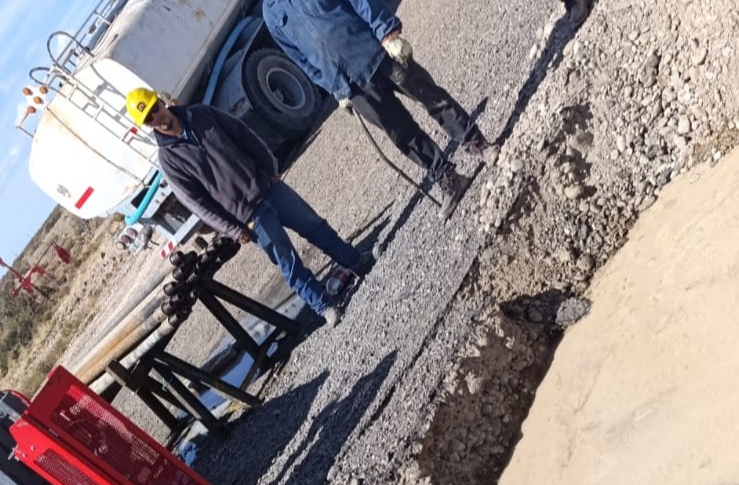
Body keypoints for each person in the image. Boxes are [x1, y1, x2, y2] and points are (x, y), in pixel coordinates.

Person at [126, 87, 372, 327]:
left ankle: (357, 261)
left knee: (315, 227)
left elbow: (241, 134)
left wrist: (269, 166)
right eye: (149, 118)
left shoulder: (200, 114)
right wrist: (232, 229)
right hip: (248, 216)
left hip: (268, 187)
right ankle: (323, 305)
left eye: (155, 108)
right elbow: (197, 203)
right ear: (146, 126)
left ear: (160, 101)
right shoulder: (169, 161)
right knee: (287, 261)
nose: (157, 118)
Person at [262, 0, 498, 215]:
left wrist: (386, 31)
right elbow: (301, 59)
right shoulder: (271, 13)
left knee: (429, 96)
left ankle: (476, 142)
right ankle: (447, 178)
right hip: (352, 86)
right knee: (401, 134)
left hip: (375, 51)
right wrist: (333, 86)